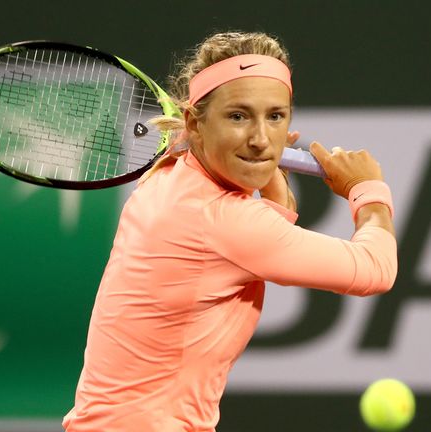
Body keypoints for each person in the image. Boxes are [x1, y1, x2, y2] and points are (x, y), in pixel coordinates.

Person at [63, 31, 397, 432]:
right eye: (237, 116)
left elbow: (261, 230)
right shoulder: (224, 221)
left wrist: (266, 174)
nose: (259, 139)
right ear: (194, 122)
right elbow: (376, 270)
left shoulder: (165, 178)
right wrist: (368, 190)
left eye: (275, 116)